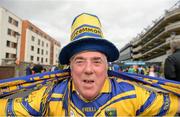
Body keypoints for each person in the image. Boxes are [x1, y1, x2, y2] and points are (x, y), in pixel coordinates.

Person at [0, 13, 180, 116]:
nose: (88, 69)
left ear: (107, 66)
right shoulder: (47, 97)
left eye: (96, 61)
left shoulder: (133, 94)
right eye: (79, 61)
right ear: (69, 66)